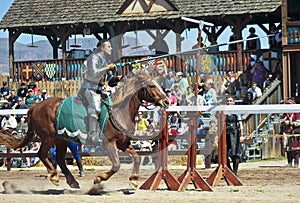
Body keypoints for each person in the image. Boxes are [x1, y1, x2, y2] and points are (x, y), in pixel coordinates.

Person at [77, 39, 117, 143]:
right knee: (95, 106)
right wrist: (107, 68)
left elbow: (110, 80)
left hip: (100, 90)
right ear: (102, 48)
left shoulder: (105, 60)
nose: (111, 48)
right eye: (109, 46)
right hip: (89, 88)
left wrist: (118, 78)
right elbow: (93, 73)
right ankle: (92, 134)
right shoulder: (93, 58)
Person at [225, 96, 244, 176]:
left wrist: (242, 135)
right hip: (226, 133)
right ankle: (228, 170)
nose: (229, 103)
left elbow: (240, 123)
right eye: (228, 101)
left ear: (233, 102)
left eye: (230, 101)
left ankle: (235, 171)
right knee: (224, 153)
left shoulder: (236, 111)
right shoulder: (224, 111)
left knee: (235, 152)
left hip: (234, 133)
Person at [280, 99, 300, 168]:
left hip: (295, 132)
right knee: (288, 148)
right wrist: (284, 122)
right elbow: (281, 120)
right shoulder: (285, 114)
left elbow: (299, 122)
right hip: (287, 132)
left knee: (296, 149)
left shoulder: (296, 113)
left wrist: (292, 123)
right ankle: (289, 162)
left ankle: (296, 163)